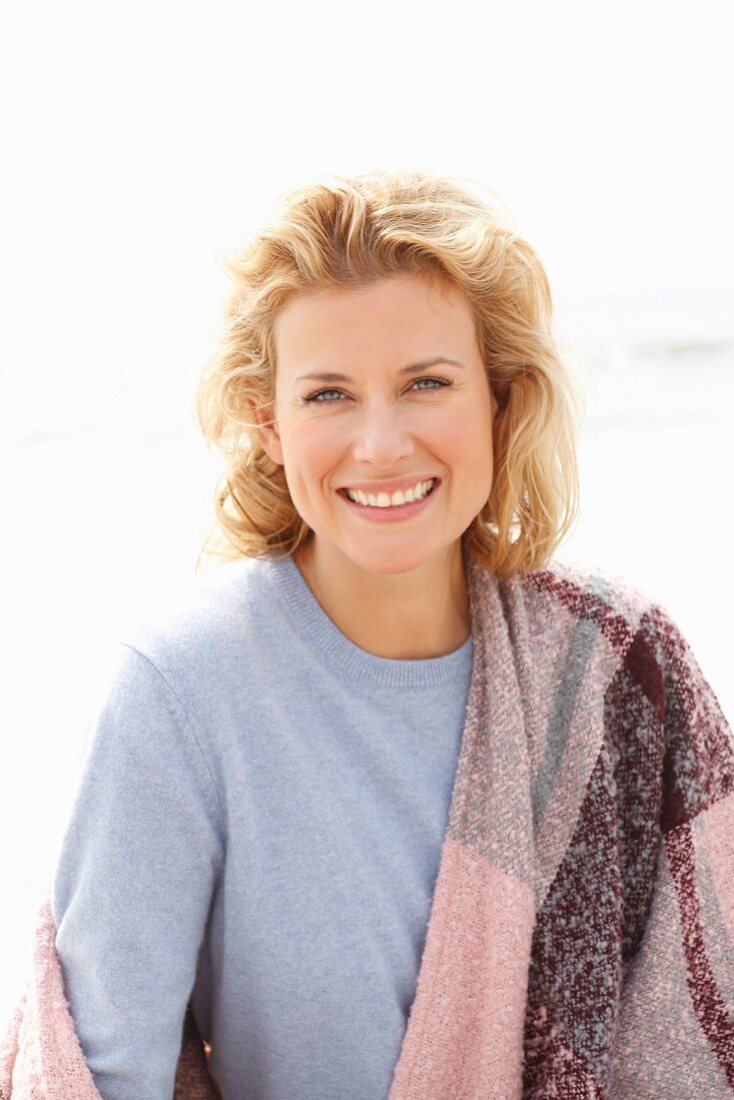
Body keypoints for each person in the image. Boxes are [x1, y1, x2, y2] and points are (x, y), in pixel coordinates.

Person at [45, 169, 733, 1099]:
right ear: (269, 424)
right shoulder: (179, 692)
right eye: (328, 395)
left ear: (500, 401)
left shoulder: (616, 666)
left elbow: (704, 1023)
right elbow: (96, 1072)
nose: (380, 444)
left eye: (425, 383)